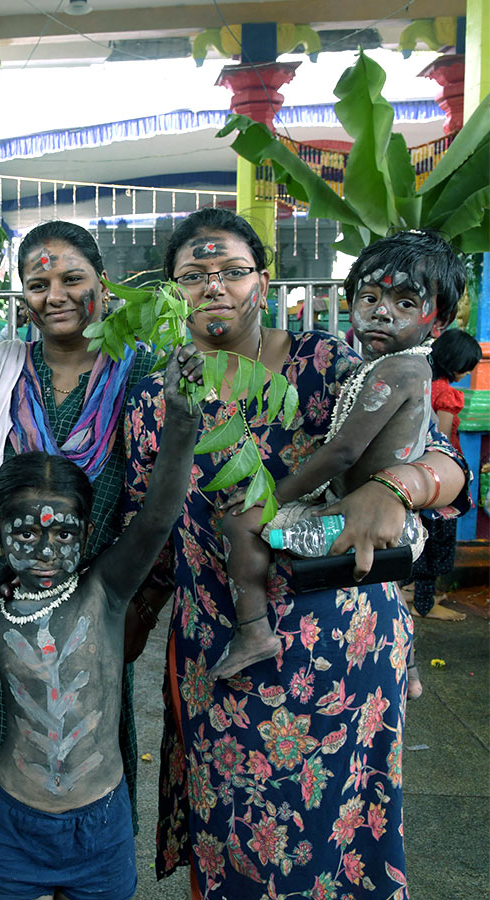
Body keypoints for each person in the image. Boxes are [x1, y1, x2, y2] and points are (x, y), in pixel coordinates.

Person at [124, 208, 471, 899]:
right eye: (193, 275)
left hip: (343, 649)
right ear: (172, 291)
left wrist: (399, 488)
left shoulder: (332, 364)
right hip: (220, 656)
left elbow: (443, 460)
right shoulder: (151, 401)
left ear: (265, 279)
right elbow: (151, 541)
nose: (213, 287)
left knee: (340, 839)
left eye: (231, 271)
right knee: (237, 850)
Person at [0, 346, 201, 900]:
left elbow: (159, 512)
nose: (48, 550)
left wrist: (183, 417)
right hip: (13, 828)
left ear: (84, 533)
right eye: (28, 535)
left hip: (101, 829)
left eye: (65, 534)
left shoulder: (105, 592)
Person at [0, 221, 157, 860]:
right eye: (37, 284)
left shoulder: (141, 369)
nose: (55, 295)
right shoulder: (2, 363)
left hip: (91, 597)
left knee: (82, 733)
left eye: (72, 278)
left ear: (103, 283)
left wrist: (144, 602)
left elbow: (158, 494)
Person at [214, 229, 462, 679]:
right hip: (357, 511)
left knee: (241, 521)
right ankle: (407, 658)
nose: (381, 312)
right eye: (369, 298)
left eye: (405, 303)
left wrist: (273, 497)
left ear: (438, 320)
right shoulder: (383, 366)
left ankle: (252, 629)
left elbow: (343, 452)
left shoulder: (398, 369)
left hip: (362, 519)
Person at [404, 326, 482, 620]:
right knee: (437, 543)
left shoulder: (422, 382)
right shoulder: (447, 394)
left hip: (415, 476)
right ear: (457, 363)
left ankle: (410, 591)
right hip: (438, 480)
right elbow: (443, 440)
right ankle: (426, 605)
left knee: (419, 537)